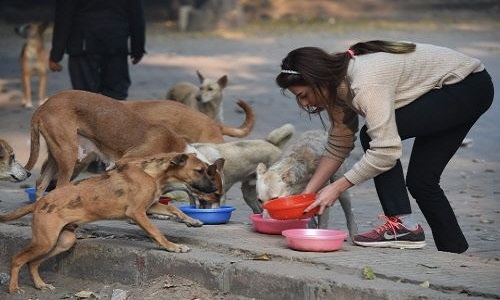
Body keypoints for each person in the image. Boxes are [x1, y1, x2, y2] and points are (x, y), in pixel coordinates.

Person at [275, 40, 494, 254]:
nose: (304, 104)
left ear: (318, 80)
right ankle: (454, 255)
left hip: (466, 86)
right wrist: (307, 195)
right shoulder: (335, 87)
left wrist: (336, 188)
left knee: (373, 138)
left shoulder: (365, 82)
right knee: (421, 181)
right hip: (460, 88)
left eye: (304, 95)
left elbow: (385, 152)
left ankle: (402, 225)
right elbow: (339, 144)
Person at [49, 0, 146, 100]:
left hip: (83, 43)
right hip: (115, 42)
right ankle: (113, 115)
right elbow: (136, 14)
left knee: (85, 97)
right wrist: (138, 48)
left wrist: (56, 54)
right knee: (115, 96)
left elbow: (64, 16)